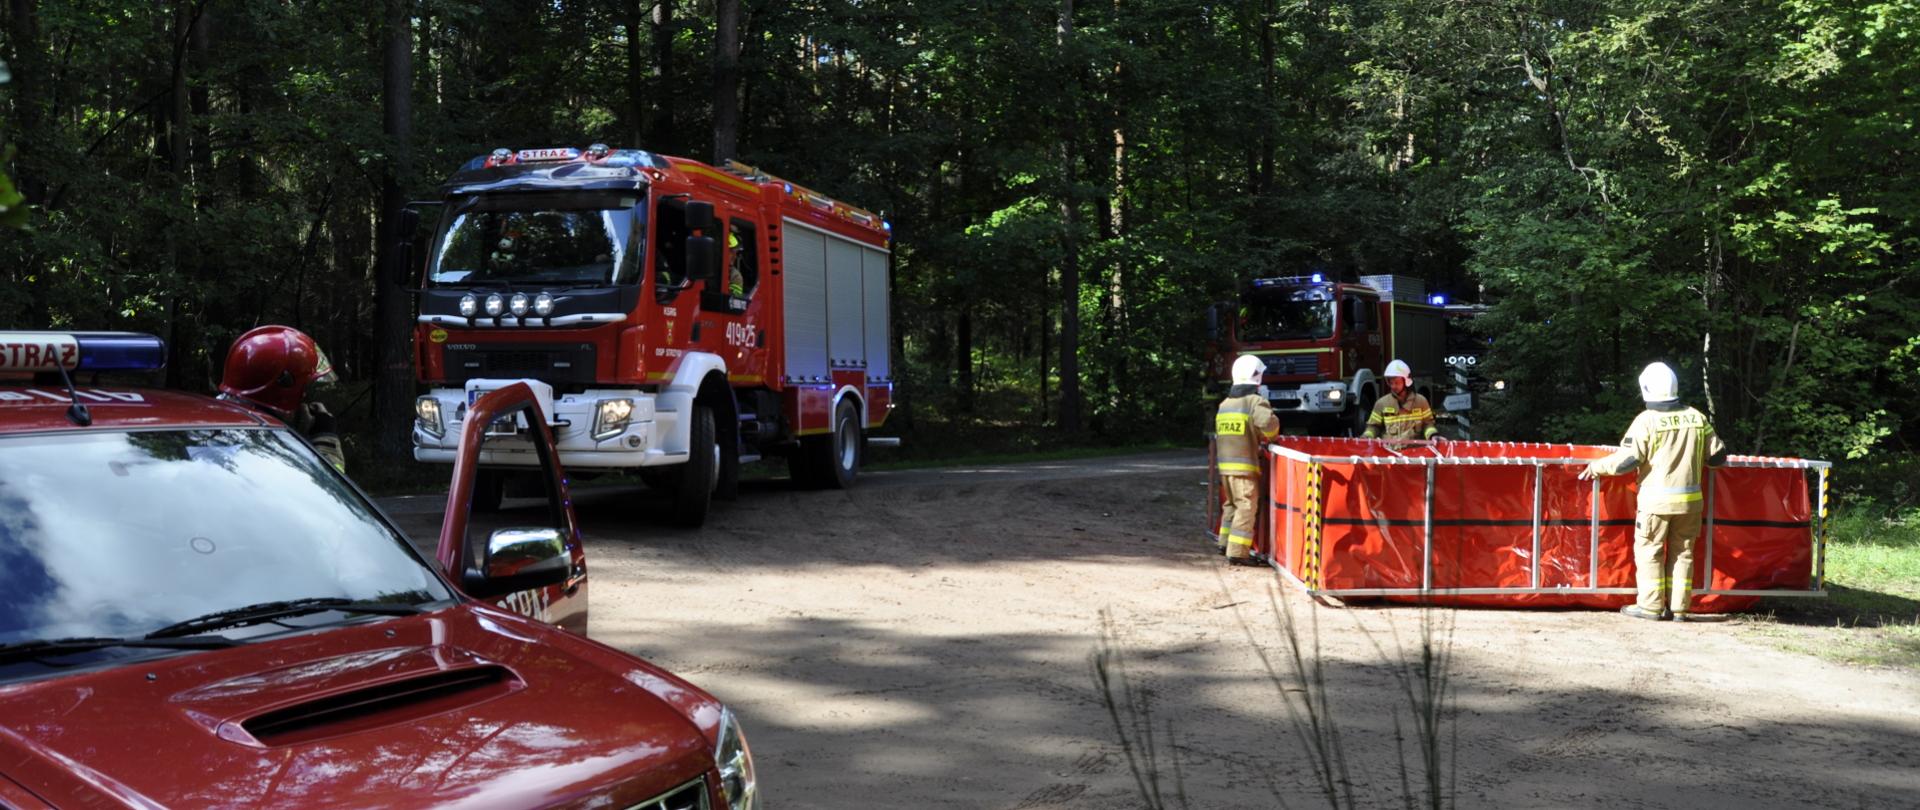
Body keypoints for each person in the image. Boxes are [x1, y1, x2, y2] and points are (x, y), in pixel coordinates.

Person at [1579, 362, 1729, 622]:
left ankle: (1650, 607)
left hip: (1656, 503)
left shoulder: (1646, 421)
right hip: (1691, 504)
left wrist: (1596, 467)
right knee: (1684, 553)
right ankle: (1680, 609)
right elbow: (1717, 457)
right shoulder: (1696, 416)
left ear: (1646, 388)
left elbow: (1628, 460)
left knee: (1650, 551)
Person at [217, 325, 346, 474]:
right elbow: (325, 488)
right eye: (303, 390)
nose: (304, 399)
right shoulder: (264, 448)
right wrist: (325, 437)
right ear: (283, 388)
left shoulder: (214, 423)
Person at [1215, 354, 1280, 566]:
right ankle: (1238, 552)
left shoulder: (1225, 404)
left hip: (1225, 467)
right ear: (1257, 377)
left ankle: (1224, 542)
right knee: (1246, 507)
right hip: (1244, 468)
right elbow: (1268, 427)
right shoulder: (1255, 401)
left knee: (1231, 504)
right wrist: (1272, 432)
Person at [1362, 359, 1443, 441]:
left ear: (1406, 381)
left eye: (1397, 382)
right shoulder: (1382, 403)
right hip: (1390, 451)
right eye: (1391, 382)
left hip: (1415, 451)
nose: (1393, 386)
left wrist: (1433, 435)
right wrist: (1367, 436)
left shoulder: (1421, 401)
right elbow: (1373, 426)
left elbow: (1428, 424)